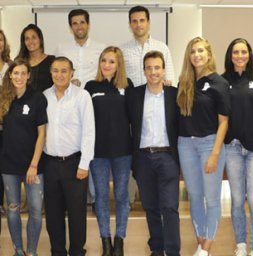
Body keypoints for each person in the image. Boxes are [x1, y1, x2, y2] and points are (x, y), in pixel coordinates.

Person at [177, 37, 230, 256]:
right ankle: (201, 241)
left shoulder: (219, 82)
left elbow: (224, 121)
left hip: (210, 144)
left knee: (211, 199)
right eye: (192, 51)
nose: (196, 55)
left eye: (200, 51)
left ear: (208, 54)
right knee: (195, 197)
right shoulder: (184, 82)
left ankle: (206, 248)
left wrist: (215, 154)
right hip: (186, 144)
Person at [126, 51, 180, 256]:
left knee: (170, 207)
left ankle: (173, 251)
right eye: (149, 68)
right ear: (144, 71)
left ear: (163, 69)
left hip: (167, 157)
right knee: (151, 207)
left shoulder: (174, 94)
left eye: (157, 67)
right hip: (143, 158)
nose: (153, 72)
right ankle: (157, 249)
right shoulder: (134, 95)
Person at [121, 5, 176, 208]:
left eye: (141, 20)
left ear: (148, 22)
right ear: (130, 24)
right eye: (134, 21)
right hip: (133, 110)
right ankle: (133, 199)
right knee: (137, 155)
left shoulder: (163, 48)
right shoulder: (123, 50)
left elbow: (169, 79)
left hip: (158, 104)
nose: (138, 24)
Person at [43, 56, 95, 256]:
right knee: (53, 214)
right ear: (51, 73)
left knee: (76, 214)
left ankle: (76, 251)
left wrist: (84, 164)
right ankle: (57, 251)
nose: (59, 75)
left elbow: (89, 131)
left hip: (74, 163)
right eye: (55, 70)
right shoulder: (44, 96)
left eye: (64, 70)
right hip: (50, 163)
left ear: (72, 73)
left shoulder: (82, 96)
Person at [85, 46, 133, 256]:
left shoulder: (127, 85)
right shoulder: (90, 86)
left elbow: (135, 117)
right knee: (101, 197)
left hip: (123, 151)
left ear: (119, 64)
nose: (107, 65)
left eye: (112, 61)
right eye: (104, 60)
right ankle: (106, 241)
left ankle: (119, 241)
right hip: (98, 152)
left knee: (122, 196)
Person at [55, 9, 105, 207]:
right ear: (70, 27)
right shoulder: (62, 47)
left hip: (96, 105)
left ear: (88, 24)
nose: (79, 26)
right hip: (70, 107)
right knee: (74, 149)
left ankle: (93, 196)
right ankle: (76, 196)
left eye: (82, 22)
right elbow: (58, 75)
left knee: (91, 147)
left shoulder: (100, 48)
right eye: (74, 23)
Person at [0, 59, 47, 256]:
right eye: (15, 73)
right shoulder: (3, 98)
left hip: (33, 166)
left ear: (28, 76)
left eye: (22, 73)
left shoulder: (37, 98)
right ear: (9, 75)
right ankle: (18, 250)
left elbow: (42, 134)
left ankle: (31, 251)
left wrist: (34, 165)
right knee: (12, 210)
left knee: (36, 211)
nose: (18, 77)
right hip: (9, 165)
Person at [223, 38, 253, 256]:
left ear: (249, 54)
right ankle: (241, 244)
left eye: (244, 52)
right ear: (230, 55)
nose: (240, 56)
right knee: (236, 199)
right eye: (236, 52)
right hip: (232, 148)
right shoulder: (222, 81)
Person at [16, 24, 54, 92]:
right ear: (24, 42)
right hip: (25, 102)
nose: (30, 41)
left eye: (34, 37)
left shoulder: (52, 61)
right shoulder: (19, 63)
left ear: (40, 39)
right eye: (27, 39)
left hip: (47, 101)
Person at [0, 29, 11, 216]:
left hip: (6, 124)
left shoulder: (10, 66)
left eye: (0, 40)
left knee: (3, 165)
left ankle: (1, 202)